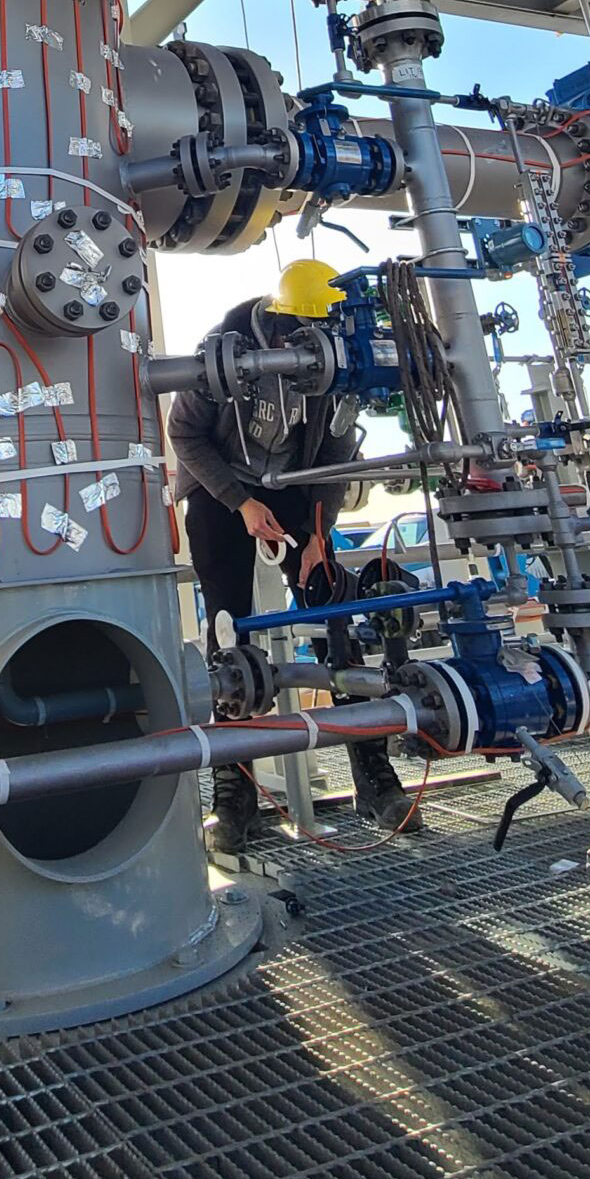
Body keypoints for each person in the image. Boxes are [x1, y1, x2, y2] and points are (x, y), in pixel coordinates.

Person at [168, 257, 421, 850]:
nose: (306, 346)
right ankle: (234, 794)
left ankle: (374, 775)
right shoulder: (220, 352)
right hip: (220, 490)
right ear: (277, 321)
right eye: (297, 334)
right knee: (229, 630)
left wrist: (318, 535)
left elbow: (334, 457)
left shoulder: (337, 361)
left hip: (297, 490)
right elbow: (184, 434)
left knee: (333, 614)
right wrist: (240, 503)